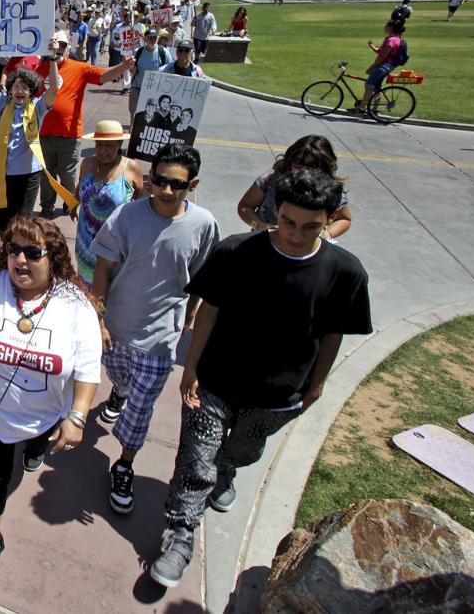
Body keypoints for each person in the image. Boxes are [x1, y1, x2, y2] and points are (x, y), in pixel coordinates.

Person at [149, 171, 372, 588]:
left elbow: (333, 332)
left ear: (329, 221)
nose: (295, 234)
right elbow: (210, 309)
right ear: (275, 212)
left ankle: (228, 470)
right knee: (197, 460)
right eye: (288, 221)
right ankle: (180, 535)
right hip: (215, 380)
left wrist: (318, 383)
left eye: (311, 226)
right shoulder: (236, 251)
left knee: (240, 451)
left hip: (279, 395)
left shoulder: (345, 272)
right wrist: (191, 366)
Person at [0, 216, 100, 590]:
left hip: (45, 417)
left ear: (53, 257)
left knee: (34, 450)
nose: (21, 260)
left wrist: (76, 417)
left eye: (33, 252)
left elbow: (89, 369)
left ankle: (34, 449)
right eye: (14, 250)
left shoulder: (74, 305)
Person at [89, 145, 220, 514]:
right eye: (159, 181)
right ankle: (119, 392)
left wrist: (189, 318)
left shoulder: (204, 225)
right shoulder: (126, 216)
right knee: (123, 382)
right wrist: (98, 318)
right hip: (115, 328)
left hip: (161, 339)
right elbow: (103, 268)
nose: (165, 190)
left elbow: (203, 281)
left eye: (175, 184)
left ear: (192, 184)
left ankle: (125, 463)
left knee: (141, 407)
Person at [32, 32, 135, 218]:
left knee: (68, 174)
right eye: (54, 46)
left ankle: (70, 202)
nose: (58, 49)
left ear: (68, 47)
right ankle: (47, 207)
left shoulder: (79, 68)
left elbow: (104, 76)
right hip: (43, 133)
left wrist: (124, 66)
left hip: (69, 135)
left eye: (62, 45)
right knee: (46, 175)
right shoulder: (39, 70)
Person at [0, 53, 57, 236]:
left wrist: (54, 60)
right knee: (0, 218)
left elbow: (54, 89)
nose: (20, 91)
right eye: (16, 86)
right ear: (10, 89)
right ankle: (7, 249)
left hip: (28, 175)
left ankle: (16, 254)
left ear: (32, 91)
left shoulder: (38, 107)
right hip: (2, 171)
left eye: (25, 88)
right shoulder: (2, 103)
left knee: (23, 221)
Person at [237, 134, 352, 240]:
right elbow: (245, 206)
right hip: (268, 241)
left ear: (324, 167)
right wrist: (259, 225)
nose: (304, 169)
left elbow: (344, 219)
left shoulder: (330, 189)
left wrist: (327, 235)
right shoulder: (273, 178)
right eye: (298, 162)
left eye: (312, 165)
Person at [72, 120, 143, 287]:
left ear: (119, 144)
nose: (103, 151)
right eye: (100, 145)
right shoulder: (87, 163)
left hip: (114, 245)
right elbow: (80, 186)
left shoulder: (131, 168)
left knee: (110, 289)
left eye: (110, 146)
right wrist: (74, 204)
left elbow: (140, 200)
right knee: (86, 286)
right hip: (85, 243)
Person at [358, 19, 404, 112]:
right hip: (386, 65)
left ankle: (362, 108)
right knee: (376, 87)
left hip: (383, 66)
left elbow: (383, 56)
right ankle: (374, 109)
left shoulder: (392, 40)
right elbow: (380, 51)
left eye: (386, 25)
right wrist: (371, 45)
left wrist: (372, 67)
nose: (384, 27)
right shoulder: (393, 38)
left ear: (391, 27)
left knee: (369, 86)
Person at [128, 28, 171, 116]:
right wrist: (130, 66)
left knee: (152, 118)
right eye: (150, 38)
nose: (152, 40)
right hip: (137, 89)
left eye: (154, 38)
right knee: (134, 115)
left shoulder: (164, 53)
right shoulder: (138, 52)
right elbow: (133, 70)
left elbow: (171, 69)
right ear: (145, 39)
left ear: (158, 38)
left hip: (155, 91)